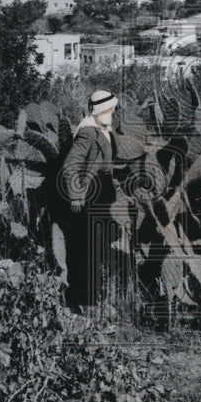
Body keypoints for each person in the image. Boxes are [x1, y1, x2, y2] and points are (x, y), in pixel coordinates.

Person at [59, 90, 122, 310]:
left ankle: (95, 298)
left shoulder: (102, 128)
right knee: (87, 248)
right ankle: (85, 300)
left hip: (102, 192)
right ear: (102, 110)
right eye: (111, 109)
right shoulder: (88, 131)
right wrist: (76, 194)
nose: (113, 113)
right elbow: (71, 164)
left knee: (98, 246)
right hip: (91, 193)